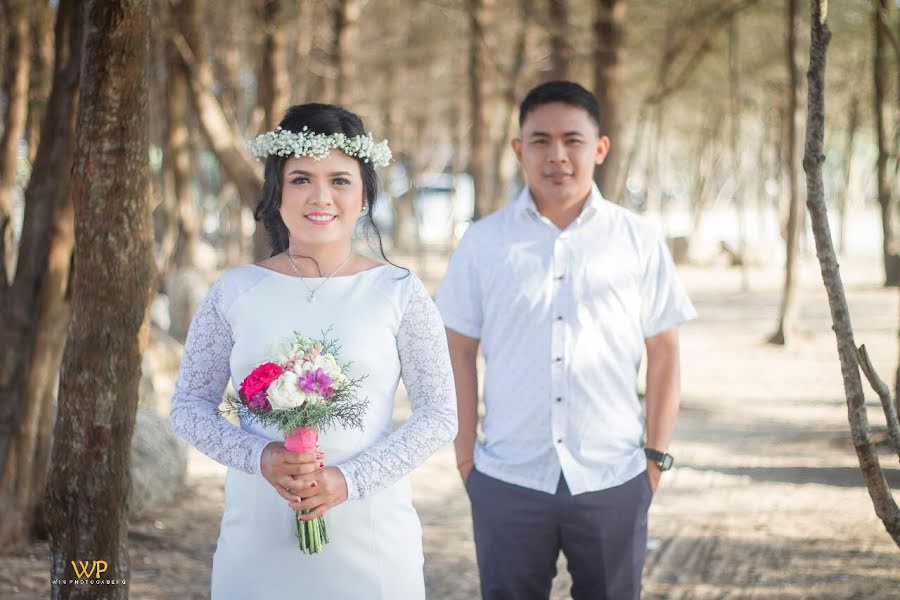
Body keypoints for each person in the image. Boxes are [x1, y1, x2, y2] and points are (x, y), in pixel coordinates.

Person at [170, 103, 457, 600]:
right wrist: (260, 455)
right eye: (301, 178)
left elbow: (440, 415)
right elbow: (189, 406)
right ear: (276, 190)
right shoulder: (234, 291)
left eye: (340, 180)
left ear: (364, 193)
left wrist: (349, 480)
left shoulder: (401, 292)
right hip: (257, 538)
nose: (320, 197)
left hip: (371, 541)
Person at [436, 81, 697, 599]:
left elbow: (664, 353)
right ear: (519, 149)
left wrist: (654, 460)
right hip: (506, 478)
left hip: (614, 476)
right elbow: (458, 352)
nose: (557, 155)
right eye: (540, 140)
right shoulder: (483, 242)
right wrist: (467, 458)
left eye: (573, 140)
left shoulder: (637, 239)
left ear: (599, 147)